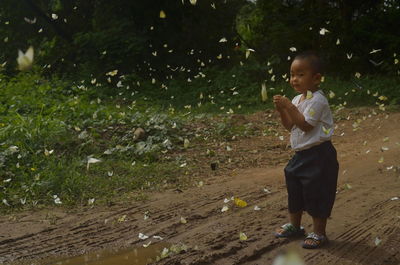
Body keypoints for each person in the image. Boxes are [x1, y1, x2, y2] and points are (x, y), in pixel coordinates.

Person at [272, 51, 339, 249]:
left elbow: (306, 125)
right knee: (295, 188)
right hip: (301, 155)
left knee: (318, 192)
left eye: (300, 74)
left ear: (316, 78)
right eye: (292, 74)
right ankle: (295, 226)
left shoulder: (318, 100)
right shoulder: (296, 100)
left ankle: (319, 233)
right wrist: (283, 110)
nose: (294, 79)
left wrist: (288, 107)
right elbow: (290, 126)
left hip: (320, 155)